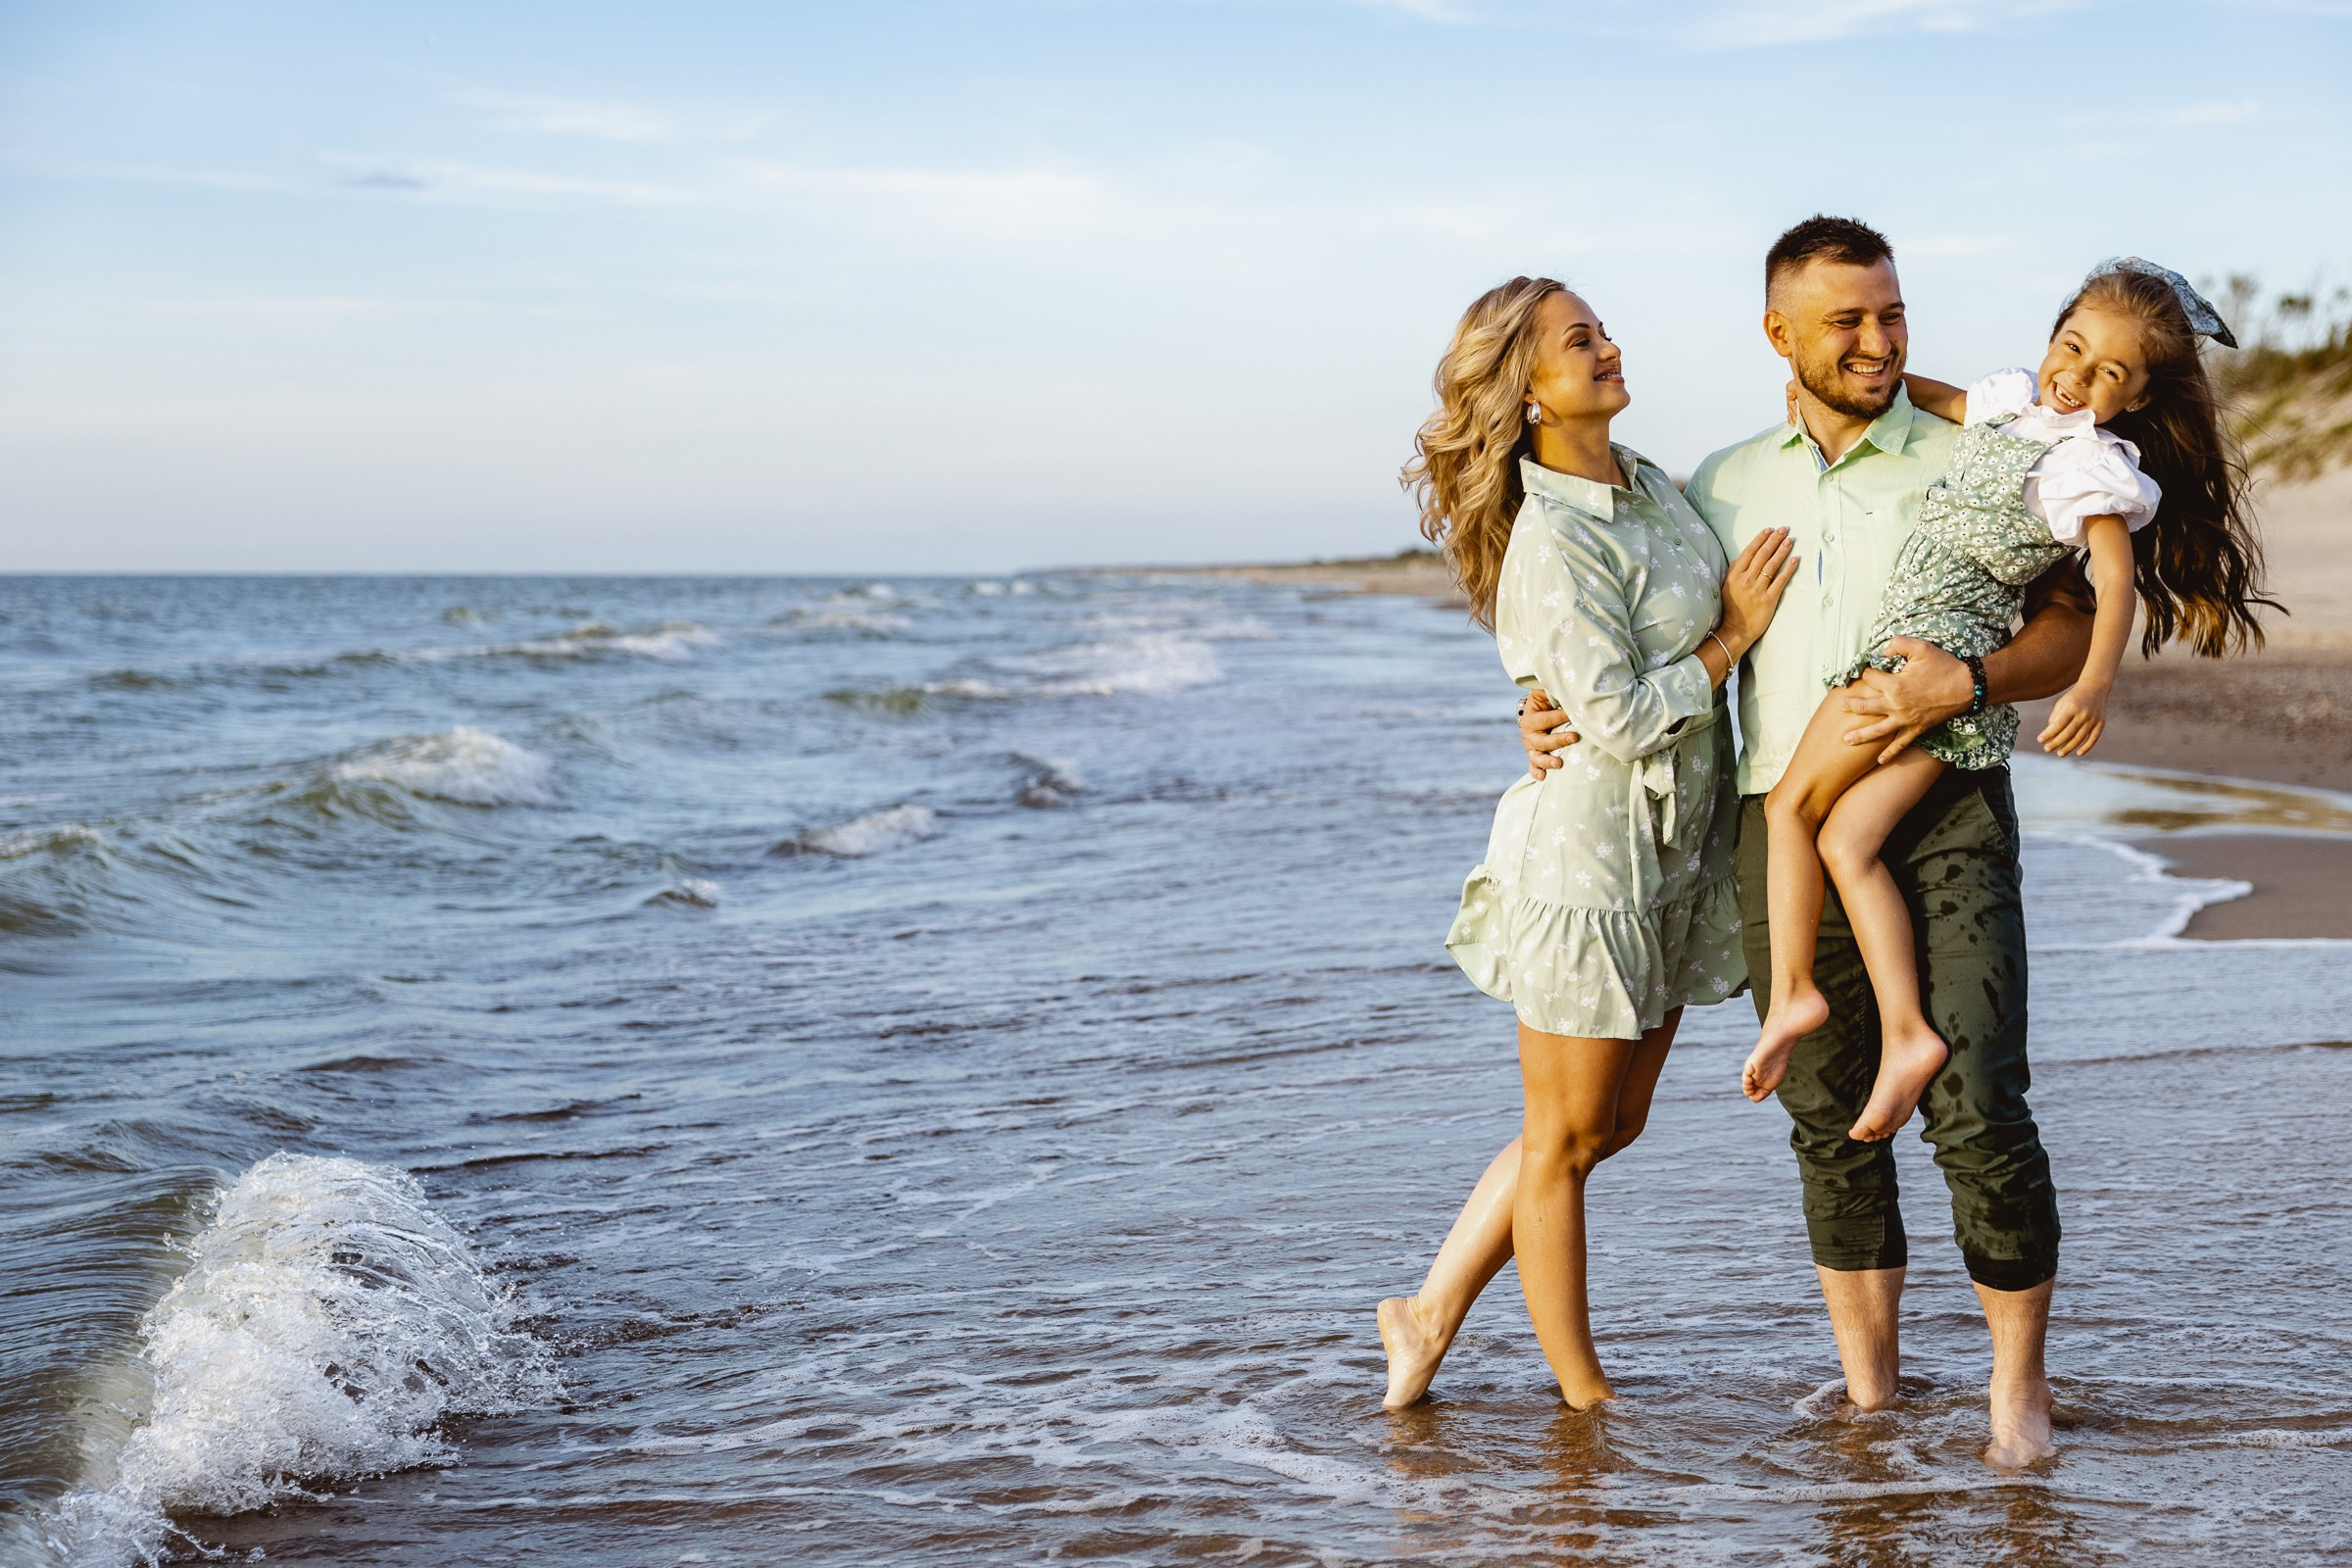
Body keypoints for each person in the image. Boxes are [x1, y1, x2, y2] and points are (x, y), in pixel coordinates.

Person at [1518, 217, 2093, 1468]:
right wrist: (1544, 698)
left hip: (1944, 802)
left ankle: (2016, 1395)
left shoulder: (1977, 454)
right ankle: (1873, 1400)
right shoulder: (1708, 488)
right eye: (1848, 321)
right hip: (1771, 819)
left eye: (1893, 314)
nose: (1880, 341)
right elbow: (1619, 615)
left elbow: (2065, 623)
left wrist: (1970, 679)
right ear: (1777, 334)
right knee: (1829, 1119)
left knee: (1979, 1098)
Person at [1376, 277, 1796, 1410]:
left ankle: (1424, 1314)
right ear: (1527, 387)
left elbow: (1603, 687)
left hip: (1672, 853)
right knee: (1562, 1140)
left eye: (1603, 328)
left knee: (1608, 1124)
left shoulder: (1651, 484)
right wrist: (1730, 640)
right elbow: (1610, 716)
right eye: (1581, 339)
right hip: (1589, 865)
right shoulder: (1551, 538)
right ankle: (1584, 1397)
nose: (1610, 346)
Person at [1742, 258, 2273, 1144]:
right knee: (1843, 838)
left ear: (2137, 397)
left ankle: (1795, 994)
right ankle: (1908, 1035)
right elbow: (1919, 393)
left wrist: (2096, 682)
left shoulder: (2089, 465)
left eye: (2111, 373)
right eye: (2073, 347)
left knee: (1793, 807)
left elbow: (2116, 581)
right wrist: (1823, 381)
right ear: (2052, 333)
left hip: (1921, 657)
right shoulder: (2008, 405)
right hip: (1926, 664)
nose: (2078, 377)